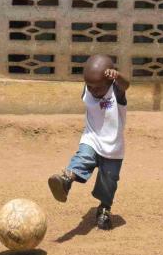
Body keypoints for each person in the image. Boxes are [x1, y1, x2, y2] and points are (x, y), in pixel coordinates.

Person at [47, 54, 129, 231]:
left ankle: (104, 209)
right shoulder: (88, 90)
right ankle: (66, 179)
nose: (92, 91)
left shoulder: (116, 92)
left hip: (113, 147)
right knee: (83, 157)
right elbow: (91, 80)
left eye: (97, 88)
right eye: (89, 86)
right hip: (91, 138)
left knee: (109, 182)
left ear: (109, 82)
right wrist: (91, 85)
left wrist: (118, 76)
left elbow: (126, 84)